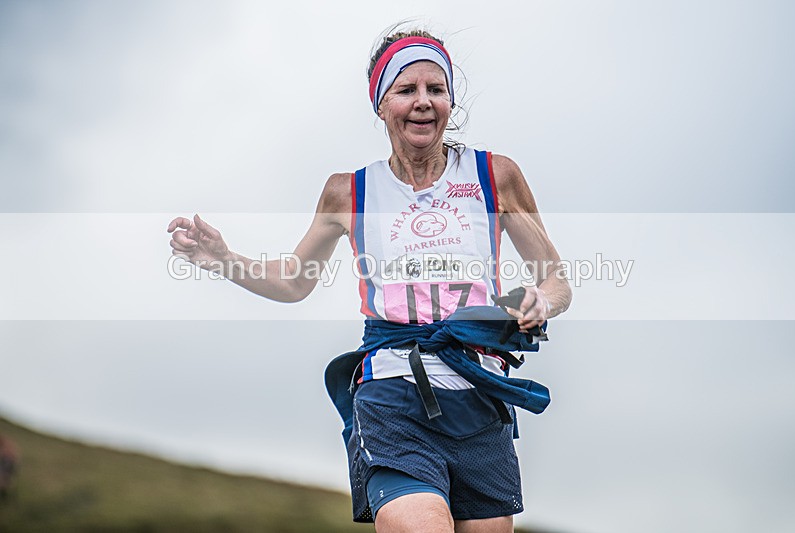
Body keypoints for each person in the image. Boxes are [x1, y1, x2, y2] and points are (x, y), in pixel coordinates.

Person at [168, 28, 571, 533]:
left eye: (436, 89)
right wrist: (224, 257)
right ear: (381, 107)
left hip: (479, 395)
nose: (423, 102)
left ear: (450, 102)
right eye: (406, 90)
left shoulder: (496, 176)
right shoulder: (349, 192)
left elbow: (556, 280)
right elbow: (295, 282)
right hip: (393, 392)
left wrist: (540, 302)